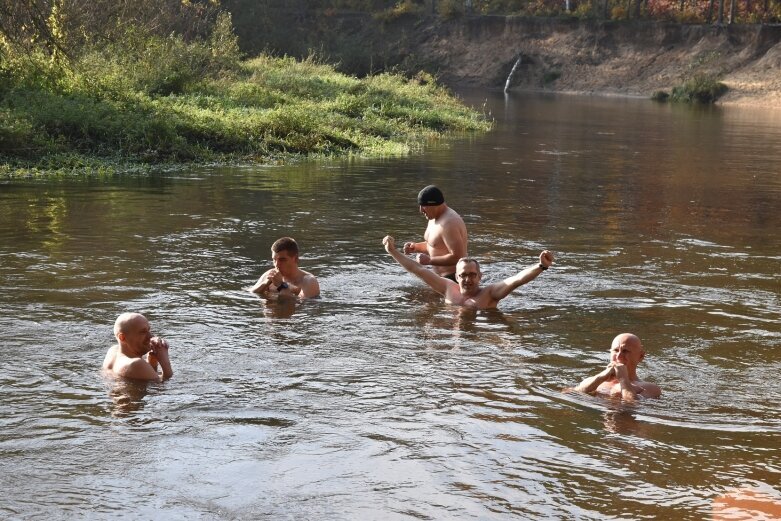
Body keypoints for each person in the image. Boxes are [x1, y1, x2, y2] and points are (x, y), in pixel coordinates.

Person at [383, 235, 553, 310]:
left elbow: (516, 280)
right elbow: (417, 269)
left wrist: (540, 266)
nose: (467, 279)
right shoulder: (449, 288)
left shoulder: (490, 293)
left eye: (472, 275)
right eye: (463, 275)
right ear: (457, 277)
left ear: (480, 277)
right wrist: (392, 251)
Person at [402, 185, 467, 281]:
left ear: (435, 204)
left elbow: (458, 257)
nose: (421, 210)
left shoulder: (449, 223)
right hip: (440, 278)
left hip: (454, 278)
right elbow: (435, 245)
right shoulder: (434, 217)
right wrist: (416, 247)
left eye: (424, 206)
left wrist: (429, 260)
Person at [574, 333, 661, 400]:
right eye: (616, 350)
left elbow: (632, 405)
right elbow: (569, 393)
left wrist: (623, 379)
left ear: (641, 356)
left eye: (625, 351)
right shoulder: (592, 380)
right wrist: (601, 377)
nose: (619, 356)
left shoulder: (649, 388)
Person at [102, 313, 173, 381]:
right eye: (143, 332)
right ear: (122, 337)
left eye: (149, 330)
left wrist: (152, 362)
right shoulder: (136, 364)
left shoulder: (113, 351)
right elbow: (163, 387)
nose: (150, 336)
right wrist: (165, 361)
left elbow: (146, 378)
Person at [250, 237, 320, 298]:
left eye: (282, 260)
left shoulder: (308, 281)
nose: (276, 264)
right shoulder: (270, 274)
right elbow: (251, 293)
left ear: (295, 258)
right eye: (274, 259)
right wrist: (265, 283)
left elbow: (299, 306)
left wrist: (281, 285)